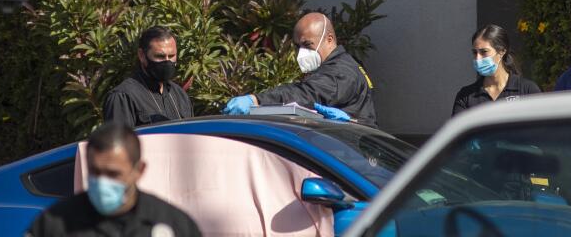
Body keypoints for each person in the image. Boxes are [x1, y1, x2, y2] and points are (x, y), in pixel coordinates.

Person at [25, 122, 201, 237]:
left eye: (113, 174)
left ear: (139, 170)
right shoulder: (55, 224)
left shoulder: (173, 225)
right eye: (95, 171)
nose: (102, 182)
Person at [222, 12, 378, 127]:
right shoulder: (343, 64)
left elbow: (305, 94)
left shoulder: (340, 72)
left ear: (329, 39)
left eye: (307, 44)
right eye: (298, 46)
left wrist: (257, 100)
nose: (301, 52)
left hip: (351, 154)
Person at [103, 26, 193, 127]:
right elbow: (119, 141)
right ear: (142, 55)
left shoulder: (179, 94)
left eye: (171, 56)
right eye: (160, 56)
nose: (167, 61)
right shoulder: (123, 97)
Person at [452, 24, 540, 114]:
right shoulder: (465, 96)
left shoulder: (527, 90)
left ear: (501, 52)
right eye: (475, 52)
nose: (478, 58)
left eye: (484, 52)